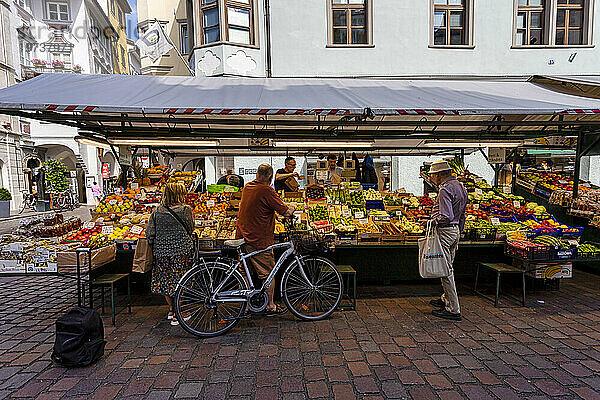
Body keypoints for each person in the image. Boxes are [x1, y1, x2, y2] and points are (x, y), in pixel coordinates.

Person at [236, 164, 296, 313]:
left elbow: (259, 206)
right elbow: (286, 212)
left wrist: (273, 214)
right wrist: (293, 206)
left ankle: (245, 306)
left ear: (257, 174)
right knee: (268, 273)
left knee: (244, 273)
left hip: (242, 235)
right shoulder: (267, 190)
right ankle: (270, 305)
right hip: (257, 239)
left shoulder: (248, 187)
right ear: (270, 177)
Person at [145, 182, 194, 326]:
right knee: (181, 281)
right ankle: (179, 314)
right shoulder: (185, 209)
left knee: (166, 281)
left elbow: (149, 233)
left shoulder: (157, 211)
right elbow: (191, 228)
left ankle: (171, 309)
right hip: (181, 250)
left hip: (161, 252)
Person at [428, 160, 468, 321]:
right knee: (448, 266)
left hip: (445, 232)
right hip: (455, 231)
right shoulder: (461, 187)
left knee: (446, 271)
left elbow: (446, 216)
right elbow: (462, 214)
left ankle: (453, 309)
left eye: (433, 175)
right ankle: (446, 299)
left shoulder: (444, 190)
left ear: (439, 175)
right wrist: (459, 232)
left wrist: (431, 222)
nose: (432, 178)